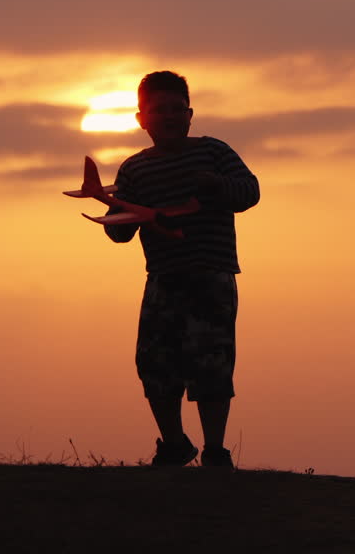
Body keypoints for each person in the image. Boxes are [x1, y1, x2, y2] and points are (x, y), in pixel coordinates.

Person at [103, 70, 260, 468]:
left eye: (177, 109)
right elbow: (118, 234)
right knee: (155, 365)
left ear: (190, 115)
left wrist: (214, 185)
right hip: (163, 280)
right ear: (141, 119)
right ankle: (174, 443)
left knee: (211, 364)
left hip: (212, 276)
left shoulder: (214, 152)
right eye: (159, 110)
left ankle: (215, 450)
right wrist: (121, 213)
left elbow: (250, 192)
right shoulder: (134, 170)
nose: (170, 117)